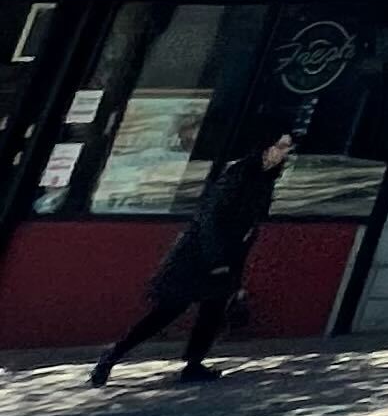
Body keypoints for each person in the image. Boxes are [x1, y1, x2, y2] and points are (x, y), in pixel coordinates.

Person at [87, 130, 295, 385]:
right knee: (168, 311)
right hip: (198, 256)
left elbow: (248, 224)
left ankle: (194, 363)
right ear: (265, 146)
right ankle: (114, 353)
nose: (284, 152)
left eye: (287, 148)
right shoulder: (238, 174)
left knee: (212, 312)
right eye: (280, 146)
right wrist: (217, 259)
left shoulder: (264, 179)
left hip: (227, 255)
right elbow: (211, 218)